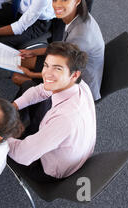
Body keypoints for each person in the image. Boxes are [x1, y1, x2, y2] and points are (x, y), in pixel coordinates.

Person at [8, 42, 96, 182]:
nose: (46, 73)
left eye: (57, 68)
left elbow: (21, 155)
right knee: (29, 86)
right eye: (46, 65)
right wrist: (13, 106)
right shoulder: (79, 84)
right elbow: (41, 90)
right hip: (69, 148)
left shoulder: (65, 119)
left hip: (49, 170)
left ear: (74, 75)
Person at [12, 0, 105, 100]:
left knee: (17, 77)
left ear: (77, 1)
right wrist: (33, 52)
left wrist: (32, 74)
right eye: (54, 0)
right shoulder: (77, 15)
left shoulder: (80, 36)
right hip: (66, 62)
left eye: (64, 0)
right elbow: (63, 47)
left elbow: (64, 73)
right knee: (19, 59)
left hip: (77, 84)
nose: (57, 5)